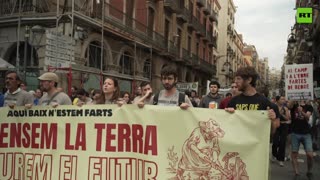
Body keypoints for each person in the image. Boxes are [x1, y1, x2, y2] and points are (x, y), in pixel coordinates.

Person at [226, 67, 279, 132]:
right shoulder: (233, 101)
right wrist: (228, 114)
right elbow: (227, 128)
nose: (235, 81)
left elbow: (271, 133)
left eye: (238, 79)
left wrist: (272, 121)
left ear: (249, 80)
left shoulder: (265, 102)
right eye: (235, 79)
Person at [288, 100, 314, 178]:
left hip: (306, 133)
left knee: (310, 155)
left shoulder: (309, 107)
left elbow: (307, 117)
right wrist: (293, 100)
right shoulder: (294, 106)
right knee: (294, 153)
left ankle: (309, 171)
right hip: (295, 133)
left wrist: (301, 111)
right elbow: (289, 106)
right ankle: (297, 172)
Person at [271, 95, 290, 167]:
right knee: (275, 142)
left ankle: (281, 160)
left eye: (284, 99)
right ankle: (274, 154)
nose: (283, 100)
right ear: (277, 100)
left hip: (284, 126)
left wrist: (282, 114)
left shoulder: (285, 108)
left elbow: (287, 118)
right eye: (282, 99)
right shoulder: (274, 107)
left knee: (282, 143)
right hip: (276, 125)